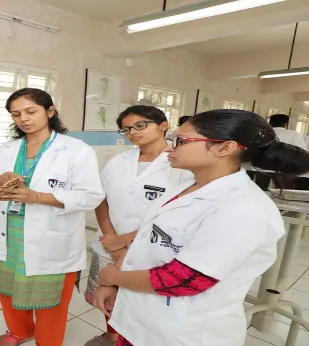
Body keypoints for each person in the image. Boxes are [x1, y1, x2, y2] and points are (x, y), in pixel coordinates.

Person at [94, 109, 309, 346]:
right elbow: (149, 246)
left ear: (224, 148)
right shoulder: (186, 187)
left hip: (182, 332)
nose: (168, 148)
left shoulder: (243, 209)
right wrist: (115, 283)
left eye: (181, 142)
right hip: (141, 320)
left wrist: (114, 277)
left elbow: (183, 280)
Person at [0, 88, 105, 346]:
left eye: (30, 111)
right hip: (8, 236)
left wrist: (37, 197)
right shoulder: (7, 149)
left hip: (51, 240)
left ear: (50, 111)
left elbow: (91, 196)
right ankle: (19, 331)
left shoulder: (76, 150)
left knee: (51, 301)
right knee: (9, 291)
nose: (23, 119)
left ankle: (47, 341)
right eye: (16, 114)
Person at [83, 106, 192, 346]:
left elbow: (177, 213)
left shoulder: (181, 164)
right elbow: (102, 201)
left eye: (140, 125)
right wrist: (113, 241)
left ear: (163, 125)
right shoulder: (119, 160)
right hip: (109, 243)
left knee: (141, 302)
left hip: (152, 249)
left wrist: (124, 241)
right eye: (126, 128)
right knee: (109, 298)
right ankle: (111, 336)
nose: (132, 132)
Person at [246, 113, 308, 190]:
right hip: (284, 169)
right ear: (285, 124)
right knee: (283, 190)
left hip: (261, 168)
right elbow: (302, 152)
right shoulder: (293, 134)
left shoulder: (261, 133)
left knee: (261, 189)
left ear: (270, 122)